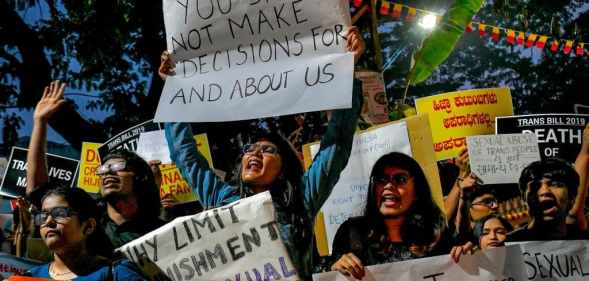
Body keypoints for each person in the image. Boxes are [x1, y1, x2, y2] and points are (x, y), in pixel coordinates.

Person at [161, 27, 365, 280]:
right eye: (249, 149)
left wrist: (348, 70)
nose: (254, 153)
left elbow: (337, 144)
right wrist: (174, 91)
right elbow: (185, 156)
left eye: (268, 150)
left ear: (283, 169)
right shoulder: (220, 199)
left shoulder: (301, 199)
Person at [26, 81, 164, 249]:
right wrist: (40, 121)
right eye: (103, 169)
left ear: (139, 176)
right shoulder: (89, 224)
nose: (107, 173)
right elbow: (38, 191)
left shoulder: (163, 230)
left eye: (117, 167)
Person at [329, 152, 445, 280]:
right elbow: (333, 274)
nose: (389, 186)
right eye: (381, 179)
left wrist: (464, 256)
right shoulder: (351, 234)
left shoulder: (435, 235)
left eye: (400, 179)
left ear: (417, 191)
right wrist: (335, 271)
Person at [23, 186, 146, 280]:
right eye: (42, 216)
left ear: (88, 226)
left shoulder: (117, 273)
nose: (48, 222)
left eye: (60, 213)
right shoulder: (30, 277)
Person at [508, 158, 589, 241]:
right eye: (535, 186)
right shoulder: (507, 245)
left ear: (572, 197)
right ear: (524, 199)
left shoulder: (585, 242)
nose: (545, 191)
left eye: (555, 184)